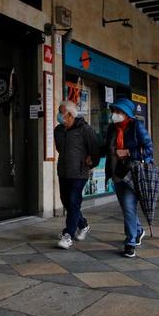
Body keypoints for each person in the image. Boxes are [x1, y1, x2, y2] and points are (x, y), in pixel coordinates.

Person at [103, 98, 154, 258]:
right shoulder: (112, 128)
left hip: (132, 173)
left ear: (126, 113)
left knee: (128, 205)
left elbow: (149, 149)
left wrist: (129, 153)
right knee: (127, 208)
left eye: (118, 112)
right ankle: (138, 231)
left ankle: (130, 242)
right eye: (114, 111)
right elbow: (106, 148)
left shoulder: (136, 126)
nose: (115, 115)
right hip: (116, 172)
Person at [54, 100, 100, 249]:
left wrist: (91, 162)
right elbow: (60, 149)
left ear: (69, 114)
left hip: (79, 173)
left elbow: (95, 150)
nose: (58, 116)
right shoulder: (58, 131)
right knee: (66, 201)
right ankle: (83, 224)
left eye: (60, 112)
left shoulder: (85, 130)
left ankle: (68, 235)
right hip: (63, 171)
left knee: (73, 201)